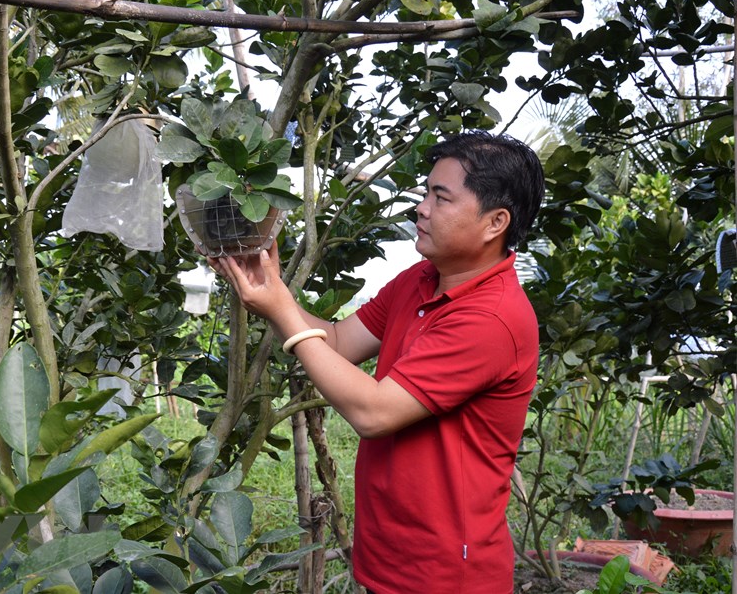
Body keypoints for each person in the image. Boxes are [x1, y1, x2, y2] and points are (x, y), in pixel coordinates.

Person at [210, 130, 545, 594]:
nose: (422, 208)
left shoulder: (492, 317)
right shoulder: (421, 279)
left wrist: (281, 311)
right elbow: (338, 341)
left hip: (447, 576)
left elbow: (374, 412)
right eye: (425, 193)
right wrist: (272, 292)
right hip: (389, 555)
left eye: (441, 198)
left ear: (495, 222)